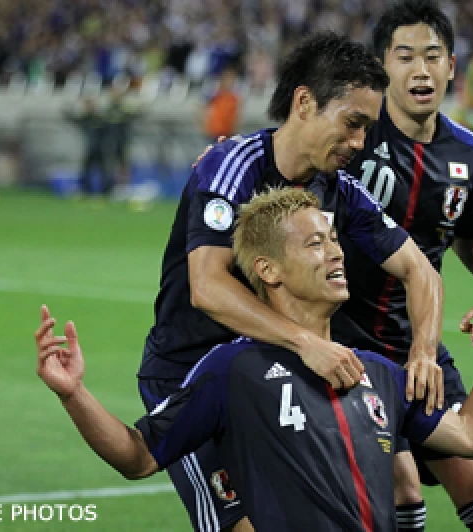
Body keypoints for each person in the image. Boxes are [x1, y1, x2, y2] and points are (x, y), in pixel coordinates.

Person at [35, 187, 473, 532]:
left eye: (333, 241)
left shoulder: (378, 372)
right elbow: (138, 456)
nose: (336, 253)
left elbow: (471, 437)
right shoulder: (232, 370)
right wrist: (74, 394)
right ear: (267, 270)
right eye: (315, 244)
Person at [139, 32, 445, 532]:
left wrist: (424, 352)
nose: (359, 143)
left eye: (367, 129)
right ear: (304, 102)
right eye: (352, 123)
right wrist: (305, 341)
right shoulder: (231, 165)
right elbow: (207, 286)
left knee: (377, 492)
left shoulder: (341, 190)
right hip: (190, 379)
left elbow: (420, 270)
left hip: (273, 384)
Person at [333, 1, 473, 530]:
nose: (420, 69)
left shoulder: (469, 154)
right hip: (343, 339)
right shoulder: (353, 135)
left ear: (452, 66)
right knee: (402, 488)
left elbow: (468, 234)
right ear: (383, 66)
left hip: (415, 342)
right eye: (404, 56)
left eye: (433, 56)